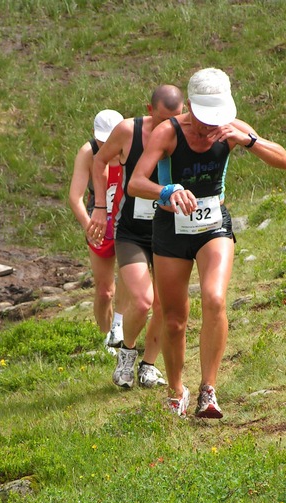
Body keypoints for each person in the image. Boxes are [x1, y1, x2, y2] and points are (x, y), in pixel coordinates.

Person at [127, 68, 286, 417]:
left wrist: (250, 141)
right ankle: (176, 390)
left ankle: (208, 390)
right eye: (202, 120)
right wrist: (166, 190)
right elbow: (136, 183)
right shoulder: (167, 133)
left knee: (215, 298)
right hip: (171, 228)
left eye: (214, 120)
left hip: (214, 225)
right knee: (173, 319)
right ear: (189, 106)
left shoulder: (232, 128)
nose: (207, 129)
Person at [89, 85, 185, 389]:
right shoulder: (128, 131)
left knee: (164, 305)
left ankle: (148, 366)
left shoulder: (187, 132)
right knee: (143, 301)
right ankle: (126, 355)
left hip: (169, 230)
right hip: (131, 232)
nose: (168, 126)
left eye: (176, 118)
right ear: (149, 109)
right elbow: (98, 160)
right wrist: (100, 207)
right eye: (161, 119)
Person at [68, 109, 127, 351]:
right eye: (103, 138)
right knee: (105, 291)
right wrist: (88, 225)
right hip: (100, 221)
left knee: (130, 284)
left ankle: (121, 331)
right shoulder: (88, 152)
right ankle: (106, 339)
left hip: (127, 220)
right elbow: (75, 196)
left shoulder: (131, 145)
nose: (107, 144)